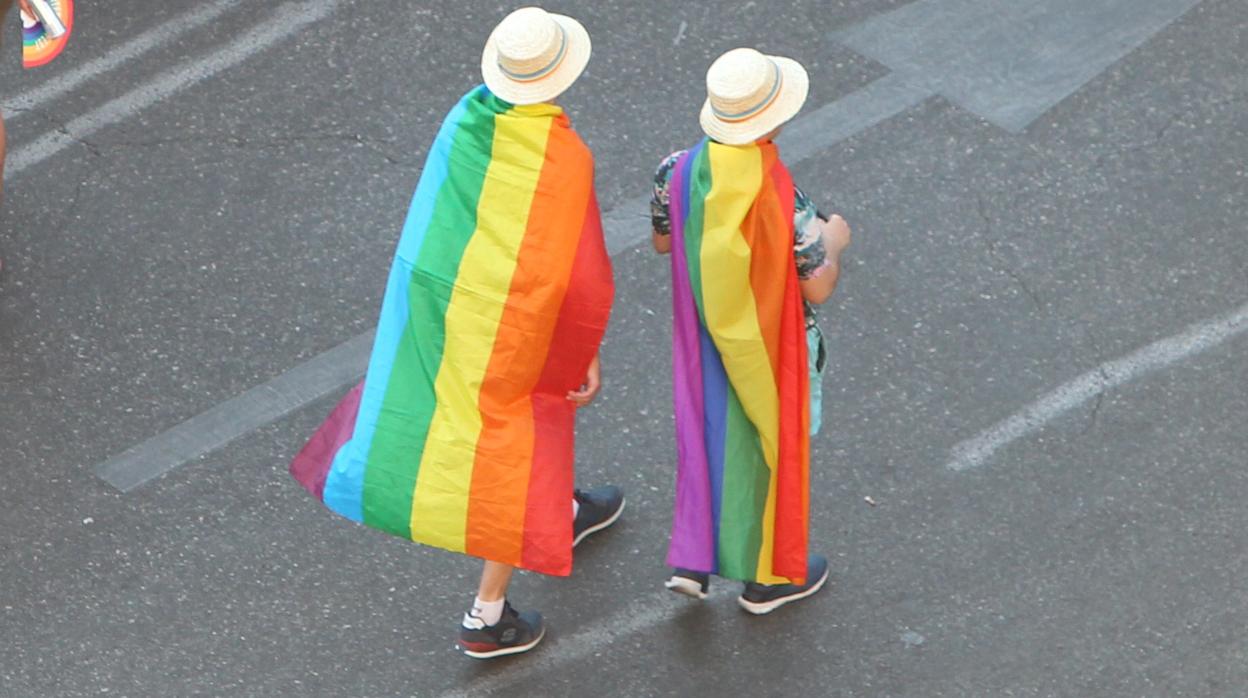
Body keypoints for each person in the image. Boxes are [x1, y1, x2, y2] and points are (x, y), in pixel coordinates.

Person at [289, 6, 623, 659]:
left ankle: (561, 507)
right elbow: (573, 277)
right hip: (513, 319)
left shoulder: (464, 117)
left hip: (441, 303)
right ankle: (486, 615)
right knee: (511, 439)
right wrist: (585, 352)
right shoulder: (562, 157)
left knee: (493, 423)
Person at [651, 47, 852, 614]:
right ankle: (768, 580)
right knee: (772, 444)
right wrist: (834, 240)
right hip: (768, 344)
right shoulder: (784, 197)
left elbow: (665, 239)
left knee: (707, 431)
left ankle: (694, 556)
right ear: (774, 121)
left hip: (702, 333)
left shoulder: (677, 168)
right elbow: (816, 286)